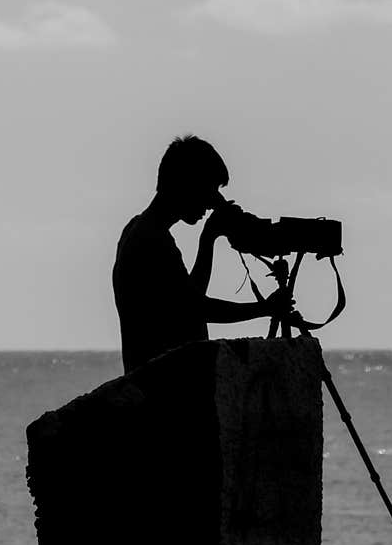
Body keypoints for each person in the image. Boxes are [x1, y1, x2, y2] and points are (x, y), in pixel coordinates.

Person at [113, 135, 292, 373]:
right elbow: (196, 309)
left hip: (154, 380)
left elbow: (186, 300)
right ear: (187, 184)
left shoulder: (140, 230)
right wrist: (265, 308)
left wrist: (208, 240)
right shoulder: (152, 240)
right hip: (157, 387)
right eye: (209, 190)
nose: (211, 203)